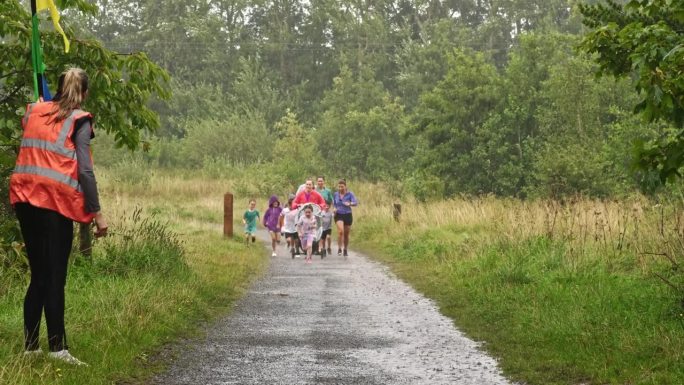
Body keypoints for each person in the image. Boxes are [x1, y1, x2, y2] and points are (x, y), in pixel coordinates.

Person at [9, 68, 108, 366]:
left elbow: (31, 127)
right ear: (85, 94)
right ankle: (58, 349)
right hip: (54, 203)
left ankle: (30, 348)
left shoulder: (35, 111)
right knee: (55, 277)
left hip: (25, 198)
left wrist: (45, 103)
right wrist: (97, 213)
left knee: (38, 273)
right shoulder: (78, 120)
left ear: (61, 89)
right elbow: (86, 171)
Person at [333, 179, 358, 258]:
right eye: (339, 187)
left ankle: (345, 249)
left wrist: (350, 203)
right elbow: (334, 203)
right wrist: (334, 209)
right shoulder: (336, 194)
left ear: (345, 186)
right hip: (338, 214)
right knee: (340, 231)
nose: (340, 188)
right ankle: (339, 248)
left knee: (346, 234)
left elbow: (355, 203)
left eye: (342, 187)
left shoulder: (350, 194)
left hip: (347, 214)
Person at [315, 176, 334, 255]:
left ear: (324, 182)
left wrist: (334, 208)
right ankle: (318, 248)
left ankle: (323, 248)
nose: (320, 183)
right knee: (317, 230)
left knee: (323, 231)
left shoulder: (328, 191)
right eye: (319, 181)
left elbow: (331, 200)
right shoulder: (314, 190)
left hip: (325, 211)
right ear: (317, 182)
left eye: (321, 181)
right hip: (316, 212)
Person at [279, 194, 301, 258]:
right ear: (288, 203)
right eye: (291, 204)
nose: (292, 206)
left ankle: (297, 250)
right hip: (287, 227)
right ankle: (291, 246)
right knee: (289, 239)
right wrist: (281, 226)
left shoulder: (297, 210)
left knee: (296, 240)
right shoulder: (285, 210)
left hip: (295, 227)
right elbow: (281, 217)